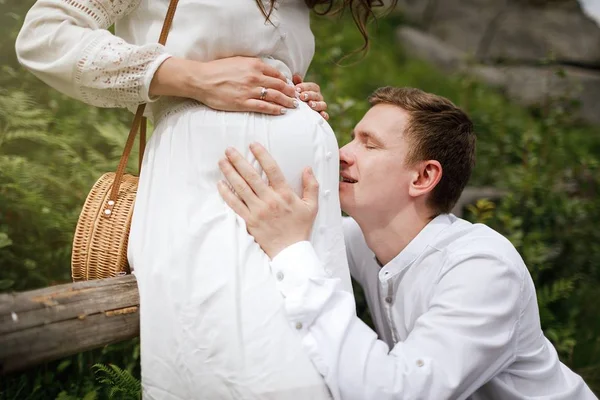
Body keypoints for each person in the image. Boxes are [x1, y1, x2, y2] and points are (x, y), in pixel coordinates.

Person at [15, 1, 394, 398]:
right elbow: (45, 34)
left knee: (316, 365)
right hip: (210, 191)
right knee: (237, 371)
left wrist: (292, 94)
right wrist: (192, 77)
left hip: (300, 211)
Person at [218, 86, 598, 400]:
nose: (342, 153)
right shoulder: (362, 237)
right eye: (351, 137)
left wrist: (293, 253)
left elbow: (397, 393)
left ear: (422, 177)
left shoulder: (482, 268)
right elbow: (284, 216)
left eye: (369, 144)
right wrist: (298, 114)